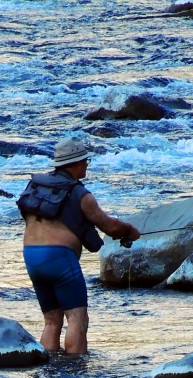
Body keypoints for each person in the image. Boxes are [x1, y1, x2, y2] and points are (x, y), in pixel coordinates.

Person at [17, 137, 140, 355]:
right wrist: (130, 230)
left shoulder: (35, 186)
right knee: (77, 319)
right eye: (85, 161)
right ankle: (76, 369)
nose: (86, 165)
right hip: (60, 259)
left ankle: (49, 366)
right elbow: (110, 226)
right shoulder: (80, 194)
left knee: (51, 321)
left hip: (31, 257)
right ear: (75, 163)